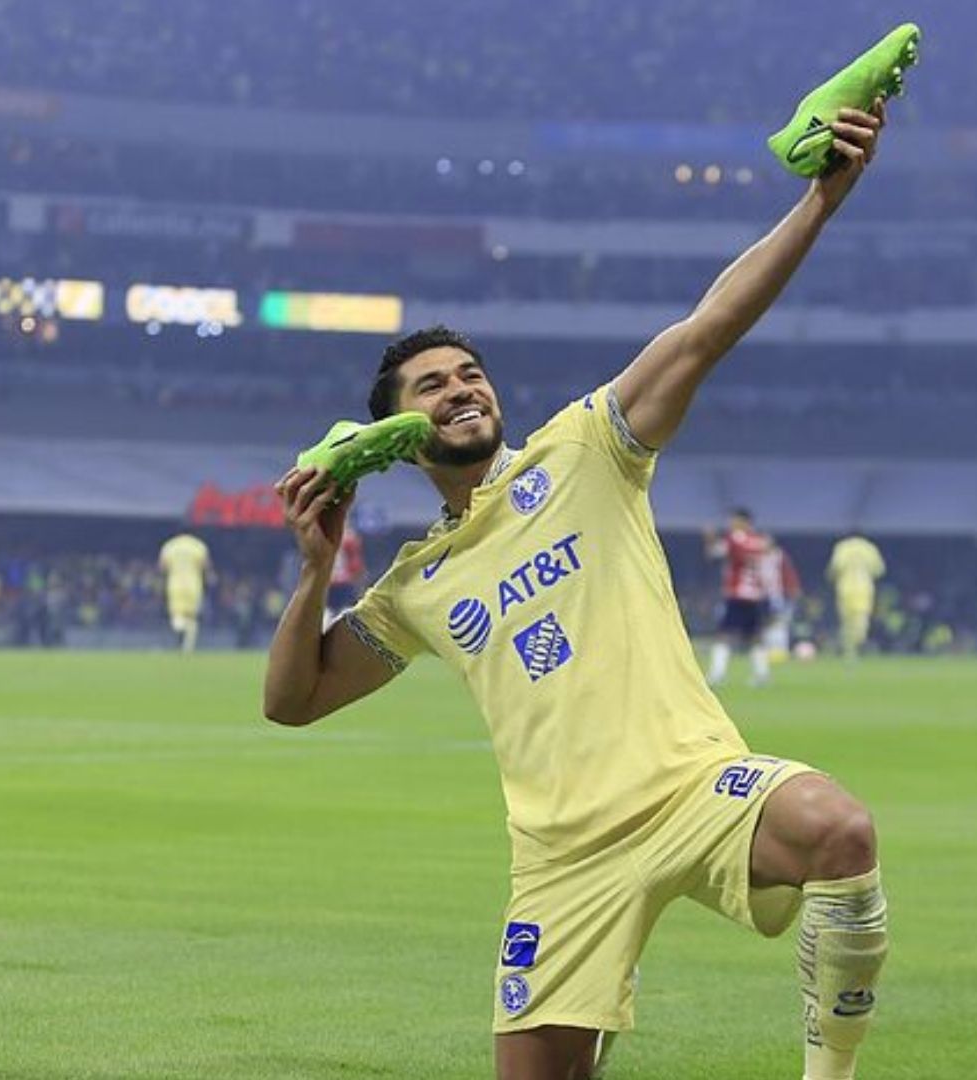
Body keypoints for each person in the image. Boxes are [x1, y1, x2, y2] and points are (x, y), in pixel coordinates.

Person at [264, 99, 893, 1080]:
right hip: (563, 857)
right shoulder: (416, 582)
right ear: (392, 432)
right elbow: (291, 702)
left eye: (470, 373)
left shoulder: (586, 450)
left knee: (840, 828)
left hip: (692, 785)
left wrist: (821, 200)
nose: (462, 388)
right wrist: (314, 573)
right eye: (431, 385)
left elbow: (703, 331)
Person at [706, 509, 776, 687]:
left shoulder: (735, 538)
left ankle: (717, 673)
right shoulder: (760, 541)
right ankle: (762, 674)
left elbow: (715, 552)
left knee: (724, 635)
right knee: (754, 637)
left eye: (735, 521)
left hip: (738, 595)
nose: (731, 524)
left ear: (744, 522)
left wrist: (710, 538)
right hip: (755, 595)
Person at [827, 534, 885, 662]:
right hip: (864, 588)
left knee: (846, 622)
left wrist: (832, 578)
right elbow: (879, 569)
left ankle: (850, 650)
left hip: (844, 588)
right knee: (861, 619)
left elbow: (835, 567)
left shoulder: (842, 547)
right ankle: (856, 646)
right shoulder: (869, 548)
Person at [158, 531, 211, 653]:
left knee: (177, 615)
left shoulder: (169, 546)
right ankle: (187, 647)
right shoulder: (198, 545)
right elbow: (206, 566)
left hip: (175, 584)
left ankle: (180, 630)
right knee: (191, 616)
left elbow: (162, 567)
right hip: (194, 585)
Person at [759, 543, 803, 666]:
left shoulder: (779, 556)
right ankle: (768, 651)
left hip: (777, 595)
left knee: (779, 623)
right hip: (761, 596)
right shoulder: (757, 556)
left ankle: (780, 651)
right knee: (764, 625)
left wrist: (793, 588)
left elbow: (788, 573)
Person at [323, 519, 368, 629]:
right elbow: (355, 563)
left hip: (327, 581)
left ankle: (323, 633)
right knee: (344, 609)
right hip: (344, 581)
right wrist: (359, 577)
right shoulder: (349, 538)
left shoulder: (324, 536)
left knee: (327, 610)